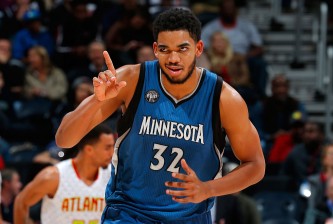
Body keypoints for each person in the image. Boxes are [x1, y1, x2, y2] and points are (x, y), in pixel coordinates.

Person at [55, 7, 265, 223]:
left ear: (199, 48)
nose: (173, 58)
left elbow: (255, 165)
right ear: (155, 49)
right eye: (165, 49)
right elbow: (64, 139)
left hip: (190, 218)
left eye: (182, 49)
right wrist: (96, 101)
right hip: (128, 215)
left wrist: (208, 189)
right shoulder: (131, 80)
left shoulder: (224, 99)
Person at [14, 124, 115, 224]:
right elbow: (21, 202)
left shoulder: (112, 176)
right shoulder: (53, 176)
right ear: (89, 149)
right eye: (107, 148)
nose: (112, 153)